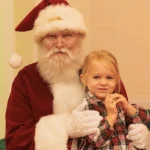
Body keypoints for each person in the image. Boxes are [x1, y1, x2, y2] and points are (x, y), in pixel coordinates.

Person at [5, 0, 149, 150]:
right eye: (51, 36)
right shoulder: (26, 79)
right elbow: (15, 140)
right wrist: (65, 128)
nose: (59, 43)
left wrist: (140, 134)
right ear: (40, 42)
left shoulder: (100, 73)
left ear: (79, 39)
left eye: (67, 35)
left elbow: (124, 118)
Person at [78, 50, 150, 150]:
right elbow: (96, 141)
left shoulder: (117, 101)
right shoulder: (86, 106)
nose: (103, 83)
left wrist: (127, 107)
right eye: (96, 77)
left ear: (116, 80)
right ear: (84, 79)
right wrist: (111, 116)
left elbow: (145, 120)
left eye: (109, 77)